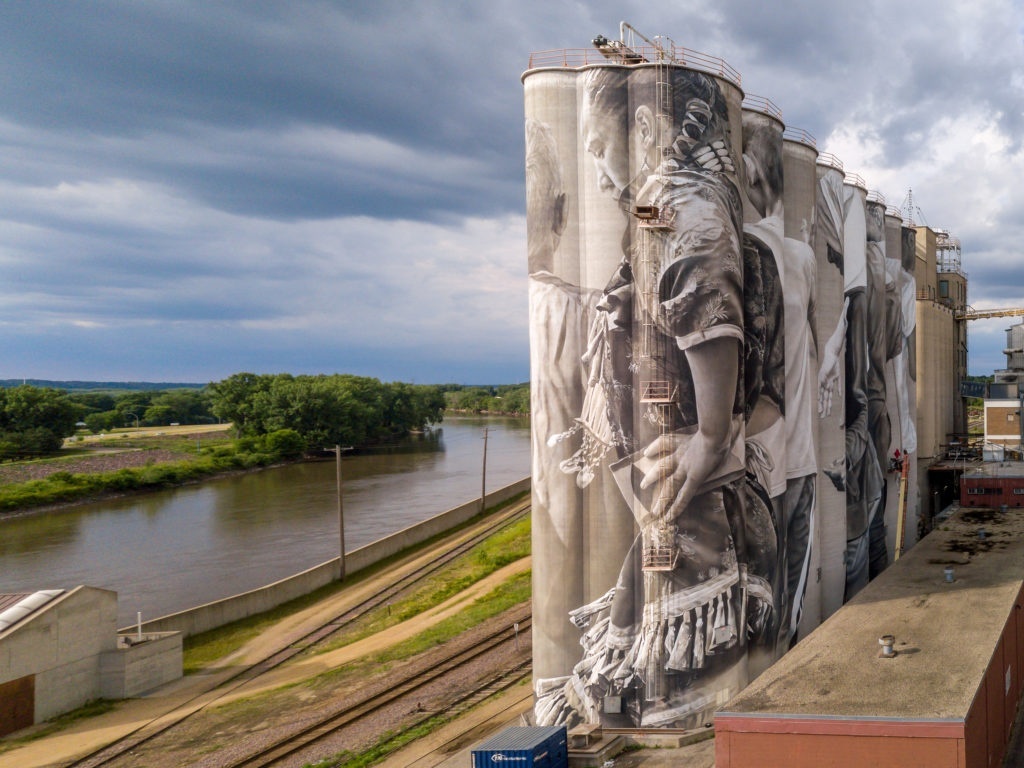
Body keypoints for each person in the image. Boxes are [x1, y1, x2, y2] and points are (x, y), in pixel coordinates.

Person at [537, 65, 758, 731]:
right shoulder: (661, 208)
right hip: (674, 513)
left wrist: (709, 437)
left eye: (600, 151)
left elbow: (704, 298)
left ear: (644, 125)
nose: (599, 174)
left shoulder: (686, 211)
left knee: (674, 698)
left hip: (700, 524)